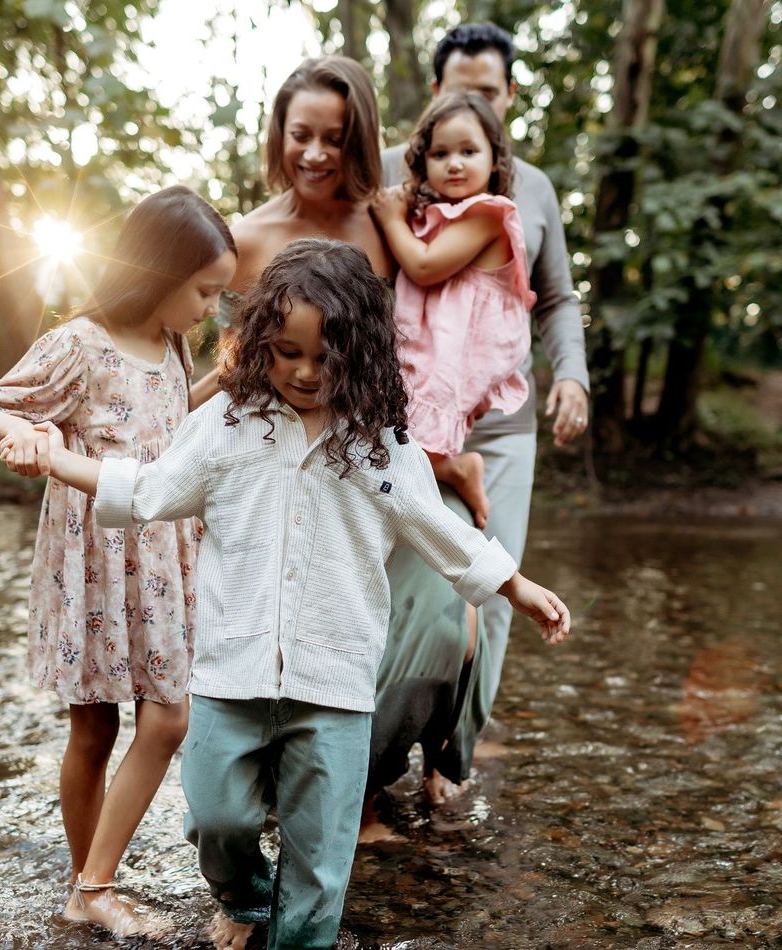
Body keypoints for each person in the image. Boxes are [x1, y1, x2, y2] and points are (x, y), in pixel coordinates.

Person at [4, 239, 572, 950]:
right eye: (287, 352)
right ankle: (244, 898)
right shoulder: (226, 425)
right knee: (215, 820)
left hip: (332, 686)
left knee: (321, 863)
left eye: (324, 357)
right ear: (260, 344)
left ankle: (299, 937)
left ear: (359, 354)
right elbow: (148, 489)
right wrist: (60, 458)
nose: (305, 372)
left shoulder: (378, 445)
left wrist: (513, 583)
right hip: (229, 677)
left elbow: (437, 531)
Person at [0, 186, 237, 936]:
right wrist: (21, 433)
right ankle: (90, 887)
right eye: (205, 290)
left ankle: (93, 881)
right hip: (93, 562)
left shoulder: (174, 343)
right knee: (93, 728)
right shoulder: (80, 342)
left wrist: (222, 382)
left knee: (168, 716)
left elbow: (166, 427)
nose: (211, 308)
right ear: (160, 271)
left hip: (160, 551)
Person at [367, 23, 592, 814]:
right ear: (433, 95)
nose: (474, 103)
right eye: (460, 87)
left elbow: (558, 297)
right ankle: (371, 748)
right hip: (411, 416)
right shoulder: (400, 173)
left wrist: (573, 376)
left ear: (509, 100)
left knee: (493, 586)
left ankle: (449, 760)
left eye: (490, 93)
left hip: (497, 421)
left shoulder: (527, 187)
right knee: (401, 581)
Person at [370, 90, 536, 530]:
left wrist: (390, 219)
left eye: (469, 151)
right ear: (423, 162)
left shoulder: (489, 214)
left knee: (402, 443)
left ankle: (459, 470)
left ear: (495, 161)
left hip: (461, 349)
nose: (455, 163)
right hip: (435, 341)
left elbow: (424, 267)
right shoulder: (439, 213)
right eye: (440, 153)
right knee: (390, 441)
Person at [192, 54, 390, 408]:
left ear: (358, 141)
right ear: (280, 134)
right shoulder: (244, 240)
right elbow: (232, 366)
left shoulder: (388, 226)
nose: (315, 154)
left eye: (334, 139)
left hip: (380, 435)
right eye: (301, 135)